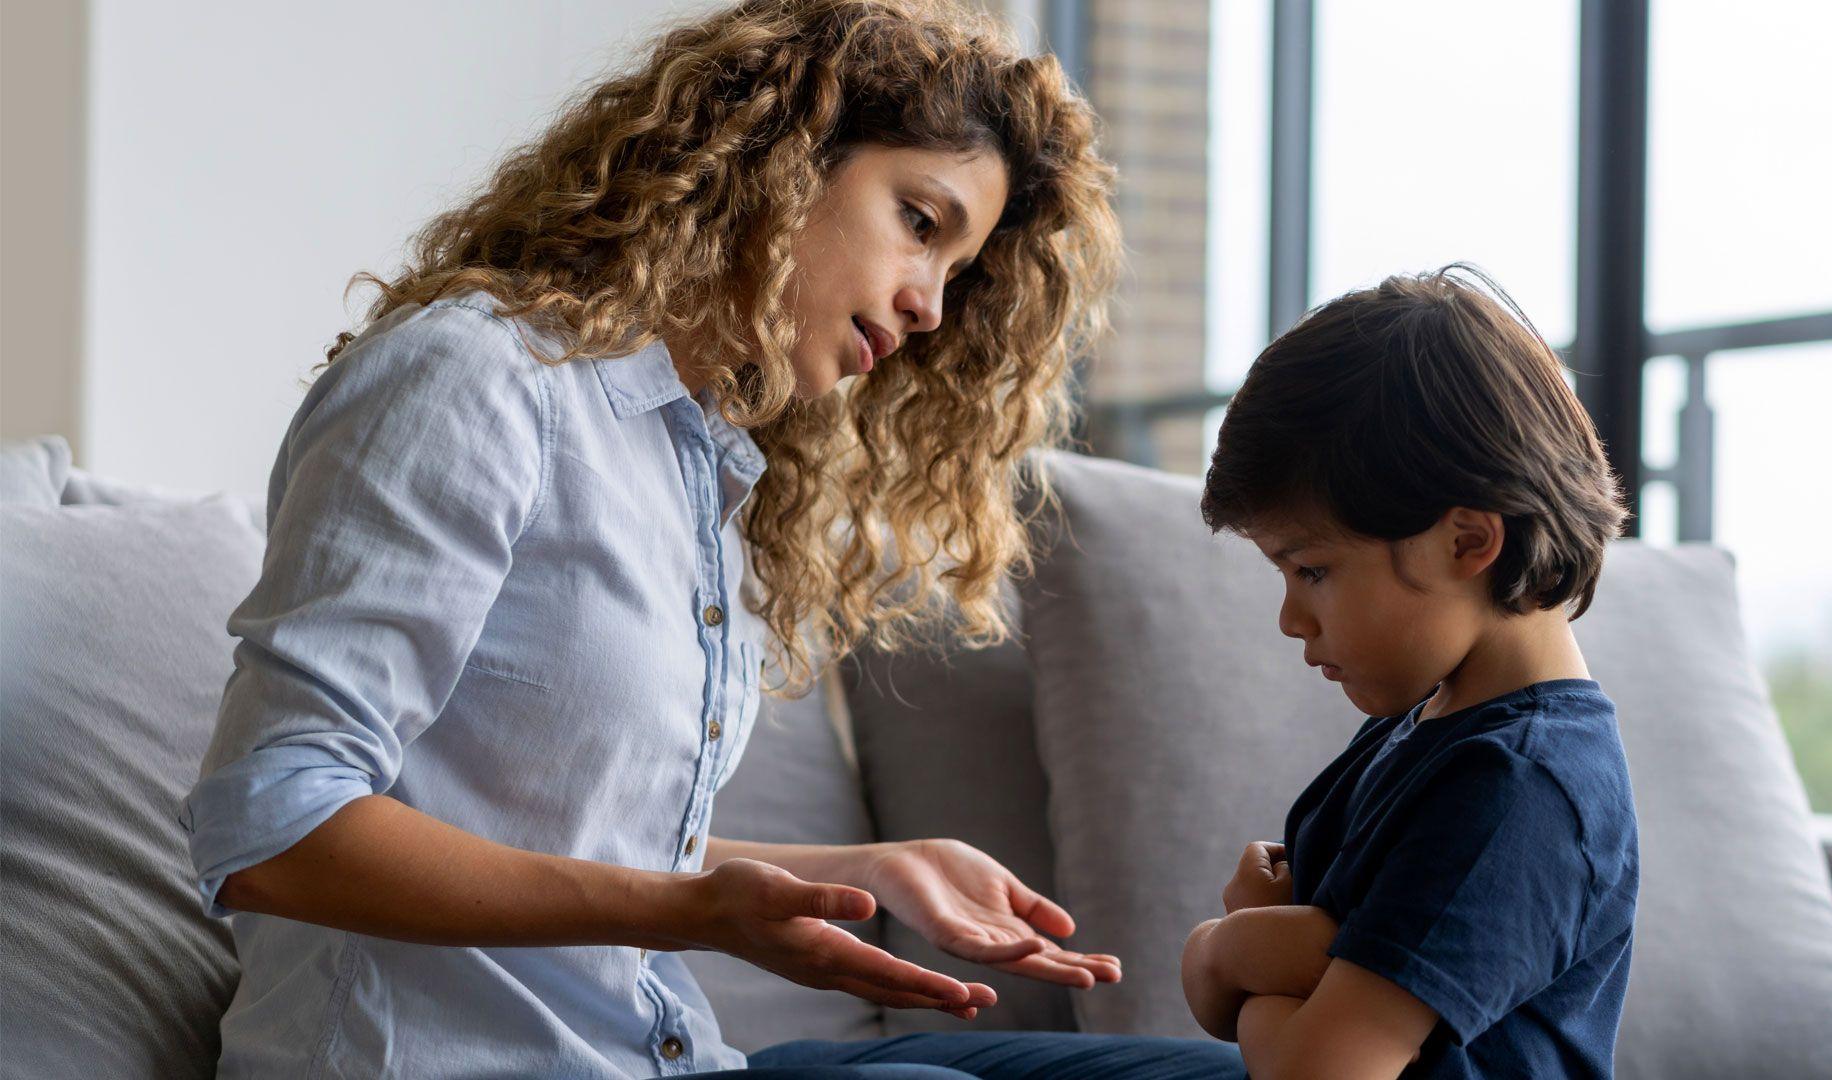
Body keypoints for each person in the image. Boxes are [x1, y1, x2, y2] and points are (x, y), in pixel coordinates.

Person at [177, 1, 1242, 1077]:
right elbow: (276, 821)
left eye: (959, 275)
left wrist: (861, 869)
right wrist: (695, 913)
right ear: (779, 159)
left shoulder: (706, 458)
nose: (930, 309)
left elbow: (565, 831)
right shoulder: (477, 383)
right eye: (921, 223)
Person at [1180, 267, 1640, 1079]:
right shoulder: (1417, 729)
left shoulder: (1518, 790)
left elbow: (1312, 1071)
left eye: (1312, 570)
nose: (1291, 618)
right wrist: (1236, 958)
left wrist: (1233, 947)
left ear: (1467, 542)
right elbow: (1222, 1006)